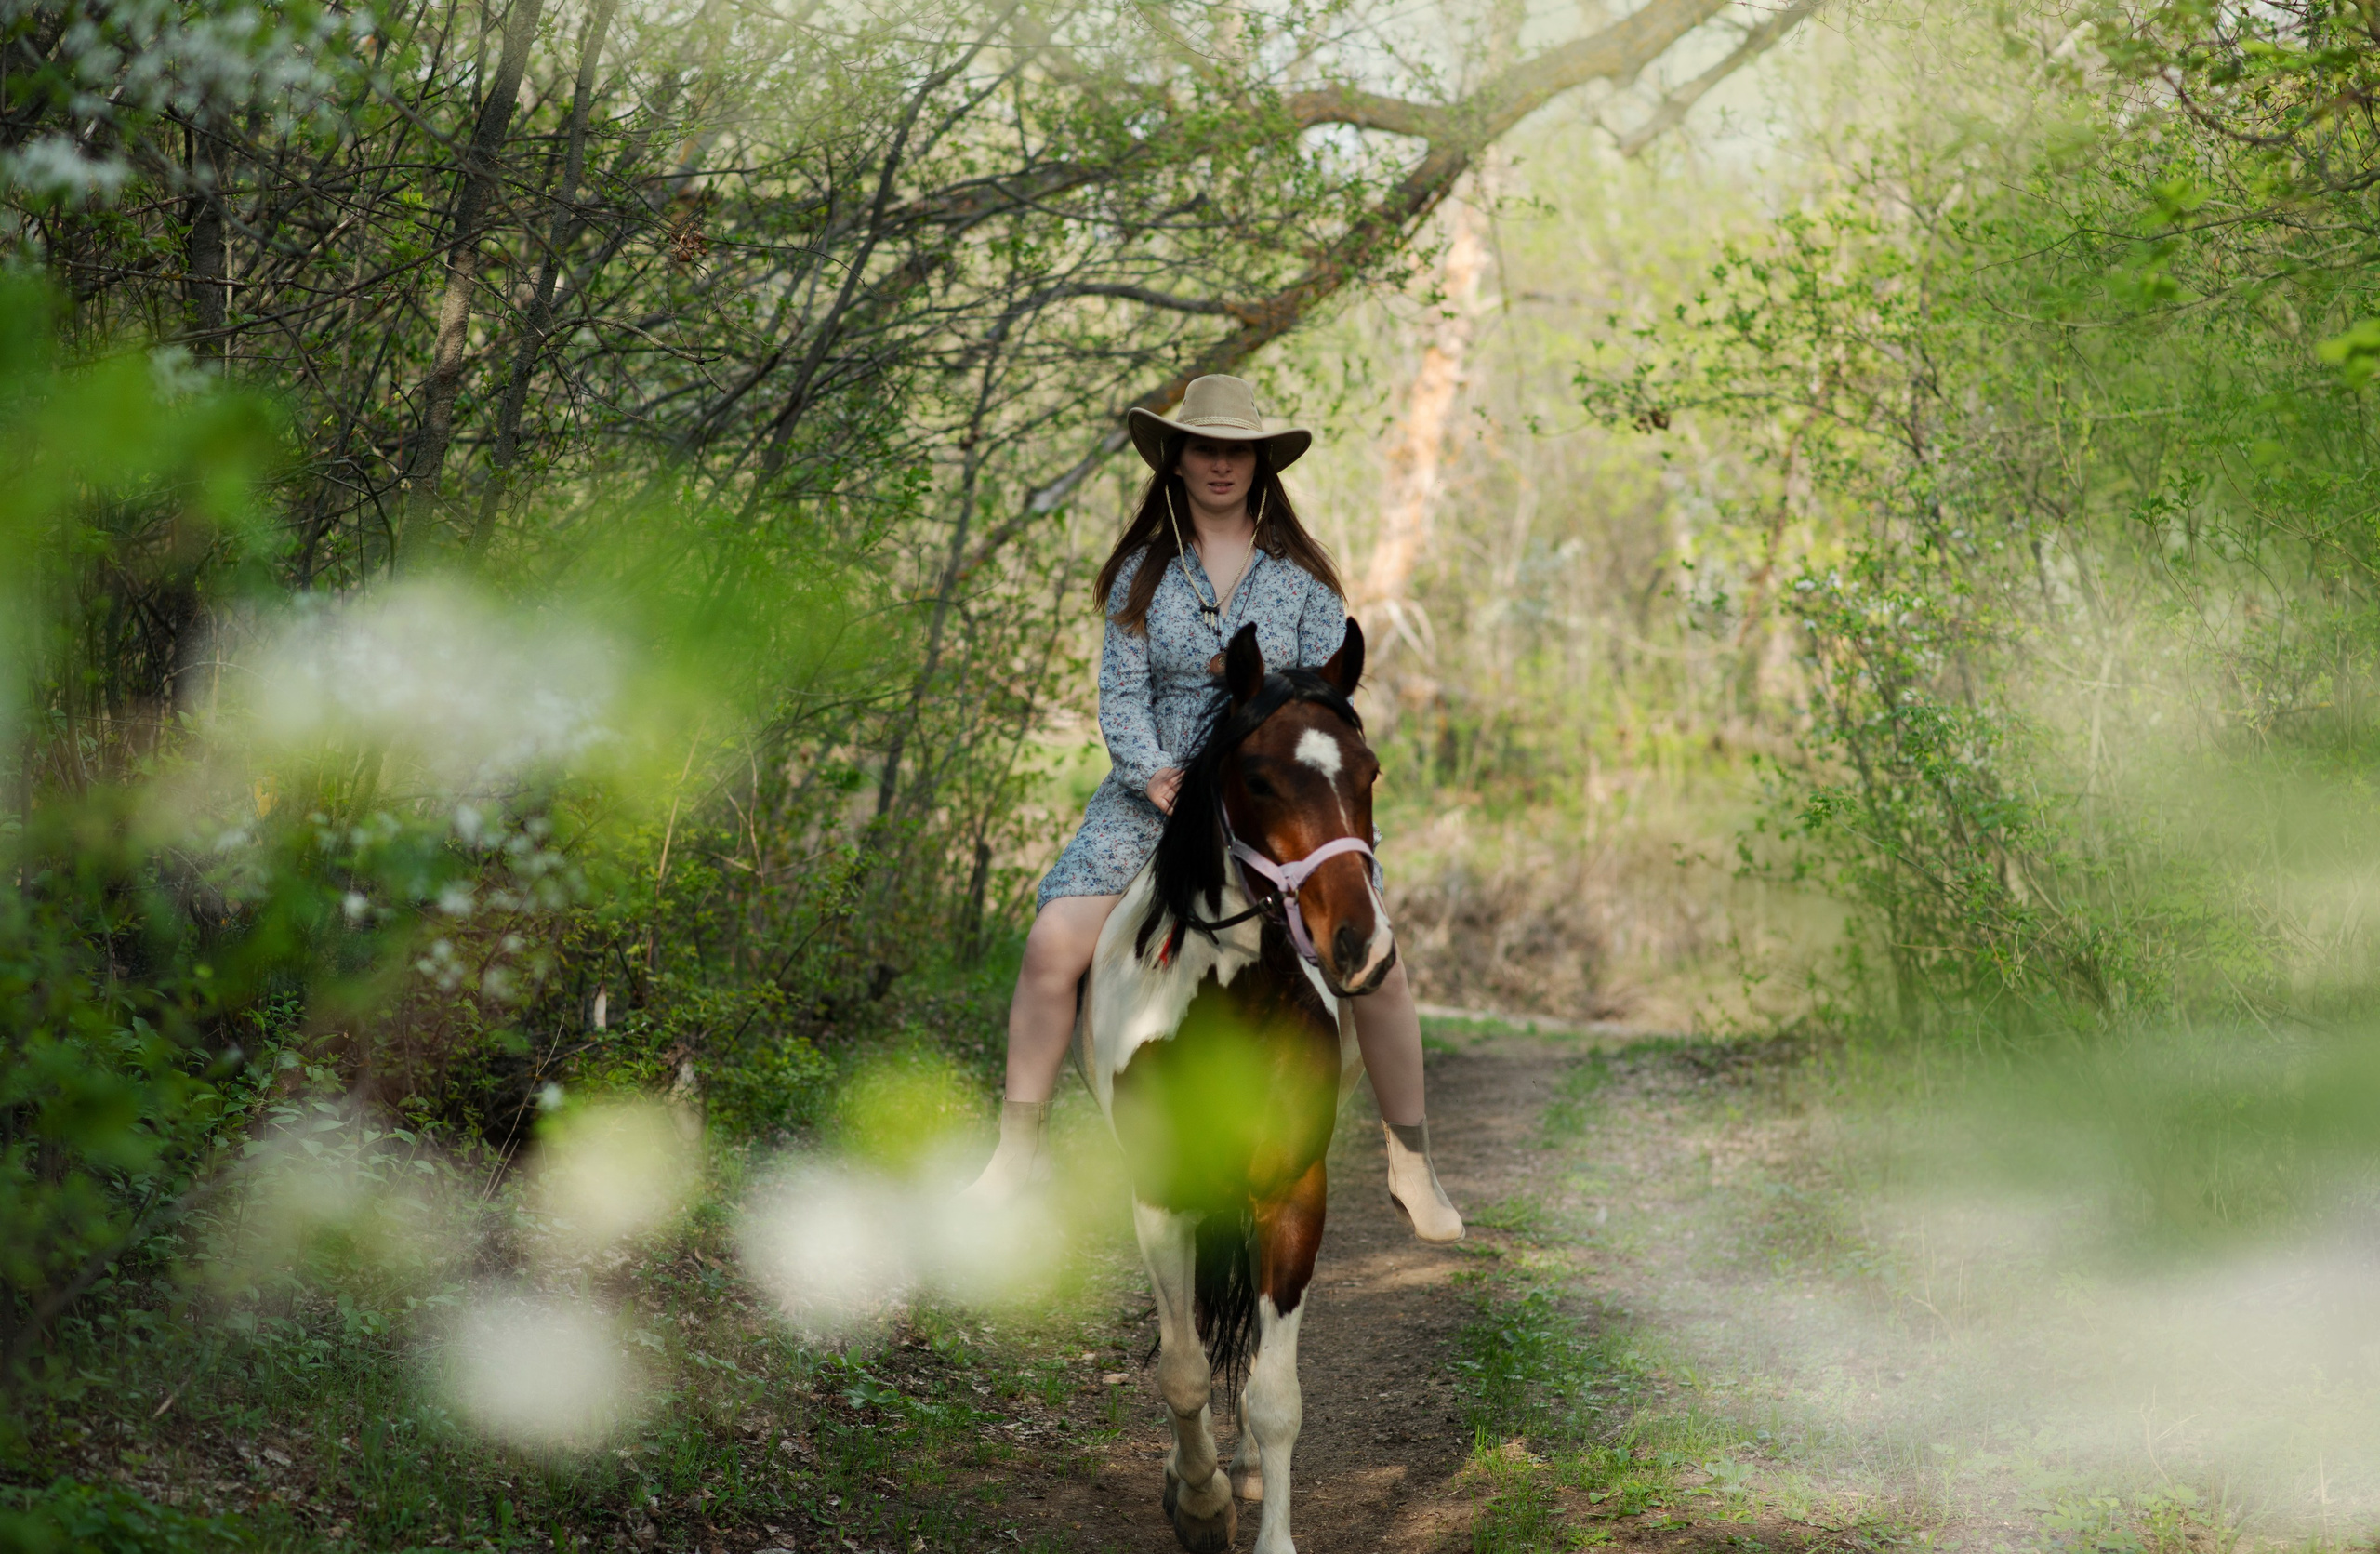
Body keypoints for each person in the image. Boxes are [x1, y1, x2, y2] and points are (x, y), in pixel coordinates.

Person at [961, 374, 1463, 1242]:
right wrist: (1154, 772)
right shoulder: (1139, 575)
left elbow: (1325, 701)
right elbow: (1119, 696)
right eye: (1206, 447)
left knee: (1376, 957)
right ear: (1179, 460)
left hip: (1278, 805)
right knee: (1051, 947)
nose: (1221, 463)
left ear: (1260, 462)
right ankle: (1018, 1149)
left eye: (1237, 449)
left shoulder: (1304, 582)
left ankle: (1410, 1158)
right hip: (1150, 803)